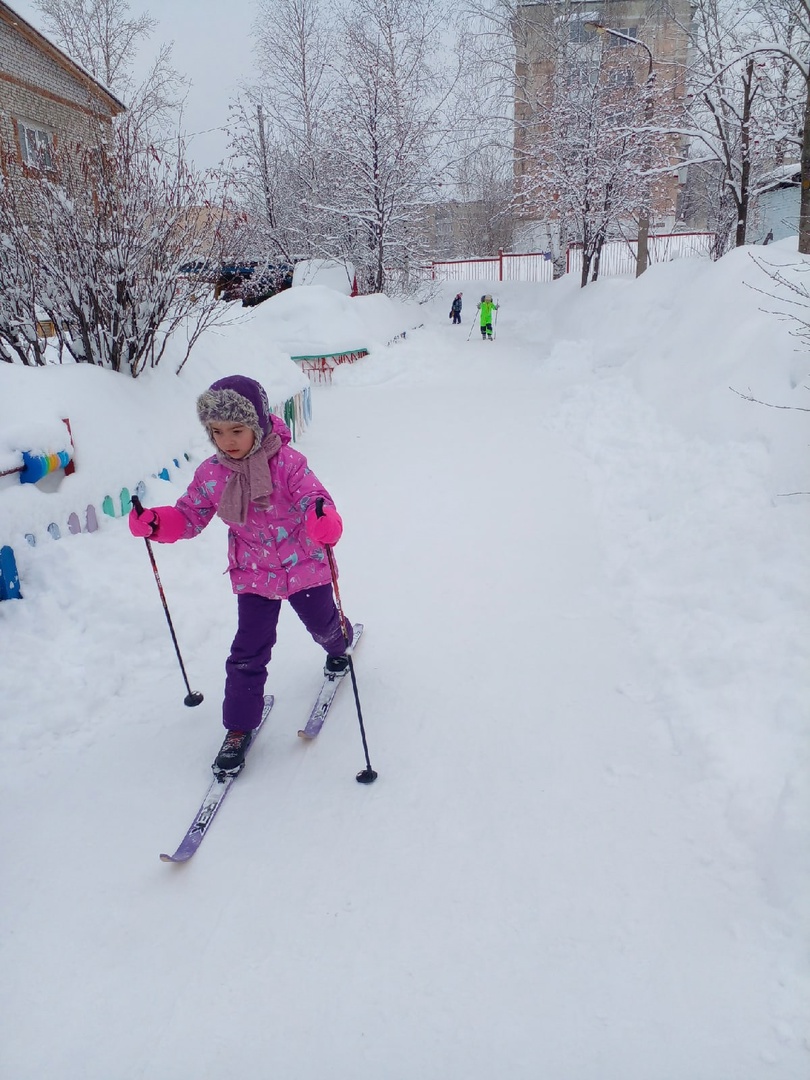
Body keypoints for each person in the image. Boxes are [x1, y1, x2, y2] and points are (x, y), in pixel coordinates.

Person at [128, 374, 353, 773]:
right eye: (217, 431)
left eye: (237, 430)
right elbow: (189, 516)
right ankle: (238, 727)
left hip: (304, 565)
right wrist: (157, 523)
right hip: (254, 574)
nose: (227, 441)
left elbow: (314, 498)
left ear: (258, 424)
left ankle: (340, 643)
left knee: (324, 627)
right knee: (248, 651)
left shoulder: (288, 464)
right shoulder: (212, 473)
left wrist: (323, 520)